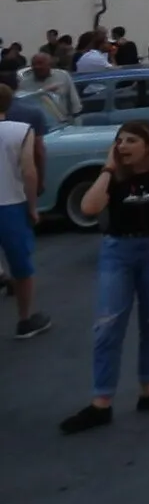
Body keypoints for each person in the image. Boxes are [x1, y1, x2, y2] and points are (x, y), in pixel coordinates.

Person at [59, 119, 149, 433]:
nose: (123, 146)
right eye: (119, 141)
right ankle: (101, 402)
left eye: (130, 141)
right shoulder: (113, 177)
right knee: (108, 325)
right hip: (119, 252)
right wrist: (108, 169)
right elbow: (88, 207)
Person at [0, 85, 49, 340]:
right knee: (21, 264)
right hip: (11, 203)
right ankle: (25, 319)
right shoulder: (20, 131)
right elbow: (29, 172)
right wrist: (32, 206)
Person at [18, 52, 80, 126]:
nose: (37, 67)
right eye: (34, 64)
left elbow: (74, 102)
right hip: (39, 126)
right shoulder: (24, 83)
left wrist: (76, 123)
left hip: (64, 123)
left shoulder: (63, 76)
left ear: (49, 64)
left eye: (40, 63)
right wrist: (43, 91)